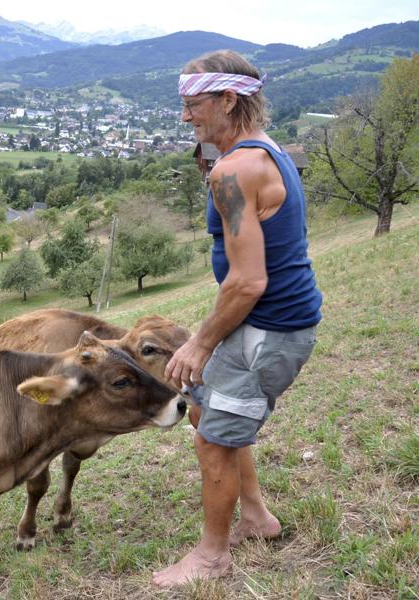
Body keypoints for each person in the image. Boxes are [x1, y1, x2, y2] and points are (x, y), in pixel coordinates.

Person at [153, 50, 323, 587]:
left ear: (229, 99)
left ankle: (211, 558)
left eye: (193, 104)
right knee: (205, 410)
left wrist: (200, 342)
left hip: (269, 330)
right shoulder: (266, 152)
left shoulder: (233, 169)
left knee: (214, 441)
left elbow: (248, 281)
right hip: (261, 324)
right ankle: (255, 517)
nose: (186, 116)